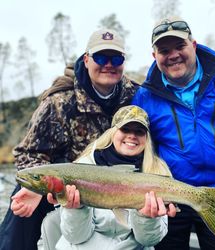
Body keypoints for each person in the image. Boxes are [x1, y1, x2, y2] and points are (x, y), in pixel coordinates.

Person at [0, 28, 140, 250]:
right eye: (101, 57)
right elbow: (27, 154)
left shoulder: (136, 96)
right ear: (86, 60)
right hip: (64, 188)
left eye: (116, 58)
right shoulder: (59, 102)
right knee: (23, 199)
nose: (109, 64)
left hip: (120, 187)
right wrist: (40, 190)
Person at [132, 16, 215, 250]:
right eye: (164, 50)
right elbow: (138, 149)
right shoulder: (144, 98)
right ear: (154, 56)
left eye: (180, 46)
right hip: (170, 194)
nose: (173, 54)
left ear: (193, 45)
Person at [41, 105, 176, 250]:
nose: (132, 135)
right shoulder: (83, 167)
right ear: (112, 132)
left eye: (139, 131)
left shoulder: (157, 173)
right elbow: (76, 237)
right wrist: (75, 210)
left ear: (146, 138)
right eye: (125, 129)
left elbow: (149, 240)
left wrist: (147, 219)